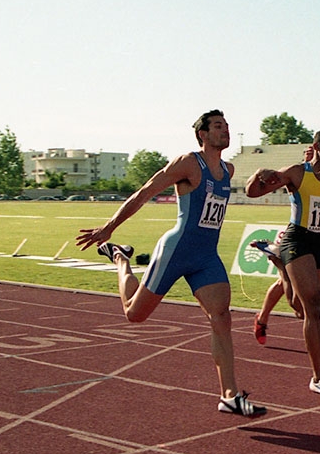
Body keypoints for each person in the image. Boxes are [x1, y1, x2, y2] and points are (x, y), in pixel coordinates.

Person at [75, 109, 265, 417]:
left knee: (221, 317)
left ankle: (229, 395)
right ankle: (120, 257)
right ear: (202, 134)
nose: (225, 131)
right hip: (176, 250)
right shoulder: (189, 163)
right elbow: (145, 191)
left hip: (206, 256)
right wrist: (109, 227)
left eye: (227, 126)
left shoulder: (228, 171)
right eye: (218, 126)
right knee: (134, 315)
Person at [246, 130, 320, 397]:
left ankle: (281, 266)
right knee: (313, 307)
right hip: (298, 240)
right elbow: (253, 192)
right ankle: (319, 377)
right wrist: (258, 173)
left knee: (298, 307)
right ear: (316, 147)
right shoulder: (298, 172)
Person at [251, 147, 320, 344]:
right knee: (300, 308)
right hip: (300, 236)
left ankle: (295, 276)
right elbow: (293, 178)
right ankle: (263, 316)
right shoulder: (307, 170)